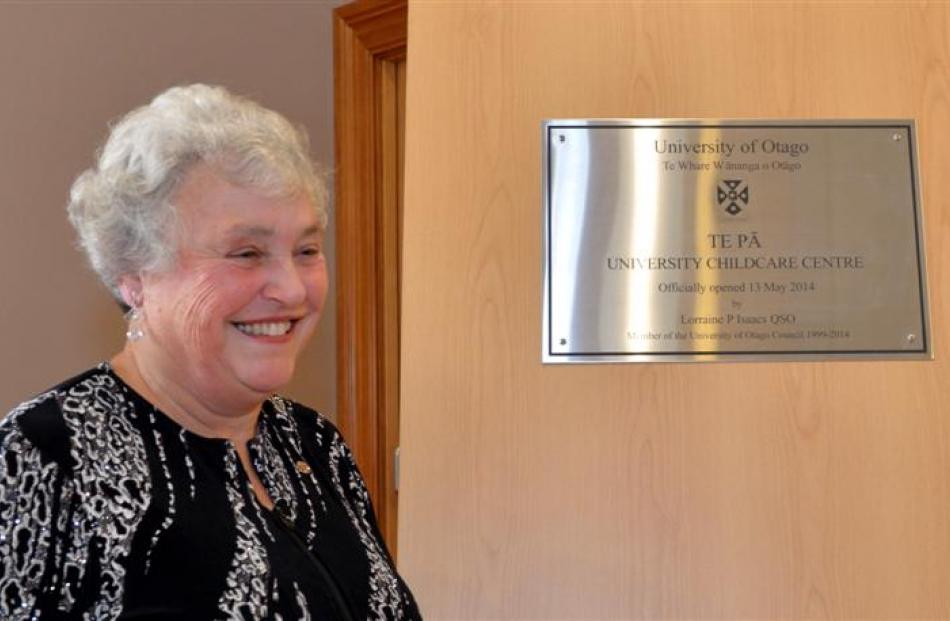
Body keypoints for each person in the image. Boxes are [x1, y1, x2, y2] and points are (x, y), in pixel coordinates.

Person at [0, 84, 420, 620]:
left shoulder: (315, 447)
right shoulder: (44, 456)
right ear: (136, 275)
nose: (292, 290)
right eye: (246, 253)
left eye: (307, 250)